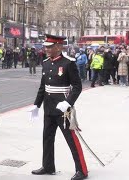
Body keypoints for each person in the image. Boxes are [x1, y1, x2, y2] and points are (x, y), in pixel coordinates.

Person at [29, 34, 88, 180]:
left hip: (63, 109)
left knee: (71, 139)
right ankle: (48, 166)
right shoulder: (46, 63)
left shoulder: (68, 63)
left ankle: (82, 170)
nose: (47, 49)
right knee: (47, 138)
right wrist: (36, 105)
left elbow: (77, 86)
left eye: (50, 47)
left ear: (59, 47)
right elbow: (43, 87)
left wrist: (68, 102)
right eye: (46, 47)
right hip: (49, 108)